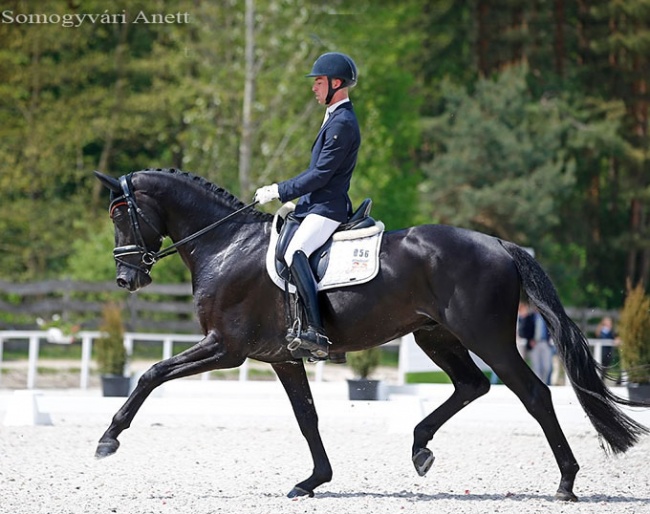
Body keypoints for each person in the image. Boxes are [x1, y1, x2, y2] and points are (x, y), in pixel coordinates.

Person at [254, 52, 361, 360]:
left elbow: (320, 175)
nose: (314, 88)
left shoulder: (343, 123)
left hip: (328, 208)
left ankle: (316, 331)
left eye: (318, 82)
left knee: (294, 252)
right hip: (314, 205)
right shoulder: (334, 117)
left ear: (335, 83)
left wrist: (279, 190)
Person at [518, 302, 554, 384]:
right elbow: (524, 331)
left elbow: (553, 330)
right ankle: (539, 386)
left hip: (545, 343)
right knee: (536, 367)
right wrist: (530, 339)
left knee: (547, 367)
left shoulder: (547, 318)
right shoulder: (530, 317)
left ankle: (544, 384)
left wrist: (550, 339)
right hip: (534, 344)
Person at [595, 316, 621, 383]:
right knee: (602, 366)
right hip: (602, 351)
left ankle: (602, 380)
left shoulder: (611, 332)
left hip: (608, 352)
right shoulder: (602, 331)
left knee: (606, 366)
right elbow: (598, 336)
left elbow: (616, 338)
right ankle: (600, 380)